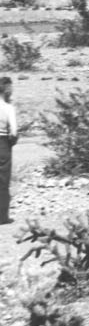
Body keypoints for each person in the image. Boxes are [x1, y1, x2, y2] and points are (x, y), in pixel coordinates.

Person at [0, 77, 17, 225]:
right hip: (3, 145)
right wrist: (12, 143)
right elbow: (14, 132)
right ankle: (2, 217)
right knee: (3, 181)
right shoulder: (8, 108)